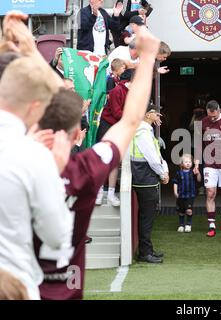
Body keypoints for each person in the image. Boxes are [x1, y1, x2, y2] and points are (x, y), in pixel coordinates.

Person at [33, 25, 162, 299]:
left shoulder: (12, 165)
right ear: (79, 134)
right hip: (63, 288)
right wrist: (148, 58)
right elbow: (130, 121)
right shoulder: (84, 171)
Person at [0, 12, 73, 300]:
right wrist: (52, 172)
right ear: (34, 106)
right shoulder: (32, 157)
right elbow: (57, 237)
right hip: (17, 285)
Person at [131, 106, 168, 263]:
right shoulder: (143, 132)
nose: (158, 114)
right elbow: (152, 158)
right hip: (145, 179)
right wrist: (162, 173)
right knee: (147, 218)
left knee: (147, 217)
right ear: (147, 115)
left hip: (144, 178)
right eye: (154, 111)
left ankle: (147, 249)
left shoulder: (144, 130)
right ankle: (145, 253)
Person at [194, 100, 221, 237]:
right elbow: (198, 144)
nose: (212, 118)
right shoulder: (203, 122)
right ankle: (211, 225)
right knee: (210, 193)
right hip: (210, 163)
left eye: (214, 115)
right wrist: (196, 164)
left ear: (219, 110)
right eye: (209, 116)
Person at [96, 68, 135, 206]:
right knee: (103, 159)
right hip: (107, 125)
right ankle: (99, 192)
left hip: (120, 126)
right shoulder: (116, 91)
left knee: (115, 161)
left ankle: (111, 194)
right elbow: (117, 112)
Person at [173, 154, 202, 233]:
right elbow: (175, 183)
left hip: (190, 195)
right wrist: (175, 192)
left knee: (189, 210)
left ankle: (188, 225)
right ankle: (181, 225)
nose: (188, 163)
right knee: (181, 211)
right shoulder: (178, 173)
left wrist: (198, 173)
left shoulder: (193, 172)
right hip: (181, 195)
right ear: (182, 163)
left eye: (189, 162)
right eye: (186, 162)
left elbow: (199, 180)